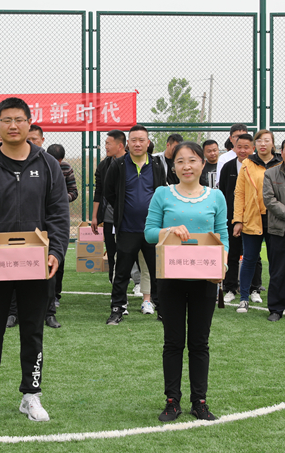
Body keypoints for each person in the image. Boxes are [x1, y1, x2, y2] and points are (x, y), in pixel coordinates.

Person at [0, 97, 70, 422]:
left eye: (19, 119)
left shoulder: (47, 165)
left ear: (29, 123)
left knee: (32, 330)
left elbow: (58, 214)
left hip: (36, 265)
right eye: (6, 120)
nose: (13, 125)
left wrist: (56, 252)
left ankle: (31, 395)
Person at [145, 141, 229, 422]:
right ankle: (172, 401)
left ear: (203, 164)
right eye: (180, 161)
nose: (186, 166)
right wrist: (169, 230)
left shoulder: (216, 196)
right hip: (171, 277)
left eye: (192, 160)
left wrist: (223, 264)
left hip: (205, 277)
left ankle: (199, 401)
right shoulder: (162, 194)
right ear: (173, 166)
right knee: (173, 342)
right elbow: (149, 233)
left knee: (199, 343)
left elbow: (222, 235)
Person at [103, 124, 166, 325]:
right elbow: (109, 191)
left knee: (158, 272)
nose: (138, 144)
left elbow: (161, 192)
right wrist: (123, 209)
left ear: (148, 143)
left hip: (152, 230)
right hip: (127, 229)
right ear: (127, 144)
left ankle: (163, 309)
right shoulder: (118, 165)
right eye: (134, 140)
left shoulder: (157, 164)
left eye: (141, 140)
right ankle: (117, 309)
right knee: (122, 272)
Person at [232, 130, 282, 313]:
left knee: (277, 262)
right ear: (255, 145)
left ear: (273, 144)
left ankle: (278, 301)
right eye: (259, 141)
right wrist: (238, 220)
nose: (263, 144)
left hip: (277, 219)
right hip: (252, 218)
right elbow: (240, 193)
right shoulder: (247, 163)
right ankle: (244, 298)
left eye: (266, 140)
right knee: (249, 259)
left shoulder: (281, 163)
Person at [219, 134, 263, 304]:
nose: (243, 150)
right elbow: (223, 193)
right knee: (232, 253)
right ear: (234, 147)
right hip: (232, 218)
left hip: (253, 218)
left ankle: (254, 288)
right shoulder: (228, 167)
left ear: (253, 149)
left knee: (253, 255)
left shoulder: (258, 166)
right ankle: (230, 288)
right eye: (239, 147)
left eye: (246, 147)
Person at [45, 143, 77, 328]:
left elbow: (74, 192)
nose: (55, 165)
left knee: (58, 258)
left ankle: (55, 297)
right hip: (39, 219)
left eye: (58, 162)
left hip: (59, 218)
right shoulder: (40, 165)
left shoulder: (66, 168)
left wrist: (61, 198)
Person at [92, 129, 127, 283]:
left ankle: (137, 281)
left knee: (128, 250)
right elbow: (99, 191)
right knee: (111, 250)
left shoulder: (131, 163)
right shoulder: (103, 165)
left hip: (128, 216)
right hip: (108, 216)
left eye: (108, 143)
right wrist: (94, 217)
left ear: (120, 146)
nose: (105, 146)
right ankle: (113, 279)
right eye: (105, 143)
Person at [263, 159, 285, 321]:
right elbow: (269, 200)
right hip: (279, 230)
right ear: (282, 152)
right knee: (278, 271)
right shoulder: (271, 174)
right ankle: (276, 309)